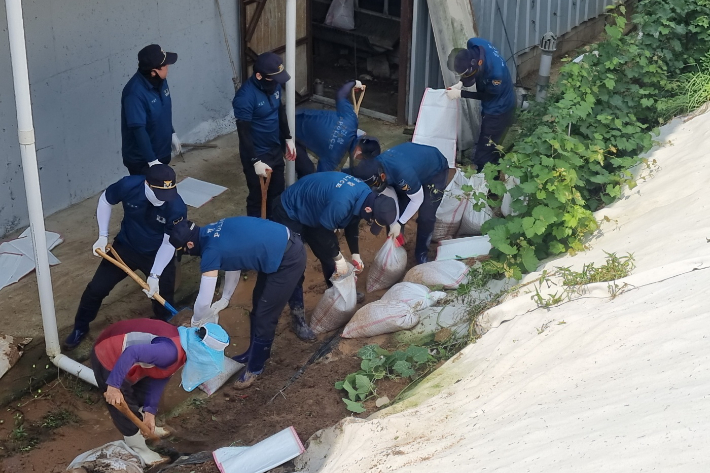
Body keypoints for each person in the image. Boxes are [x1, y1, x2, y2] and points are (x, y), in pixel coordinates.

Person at [167, 217, 306, 389]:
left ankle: (255, 369)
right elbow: (233, 264)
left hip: (288, 259)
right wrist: (225, 298)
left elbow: (204, 299)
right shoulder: (212, 229)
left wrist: (196, 321)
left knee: (265, 316)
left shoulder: (210, 251)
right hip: (277, 246)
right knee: (258, 305)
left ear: (189, 245)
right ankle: (252, 352)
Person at [63, 165, 187, 351]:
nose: (164, 201)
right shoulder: (129, 185)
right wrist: (102, 235)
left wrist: (154, 276)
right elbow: (106, 200)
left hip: (156, 254)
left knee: (162, 298)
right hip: (125, 247)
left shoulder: (176, 207)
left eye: (167, 195)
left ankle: (164, 331)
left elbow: (168, 244)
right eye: (159, 195)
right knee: (96, 289)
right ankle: (80, 327)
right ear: (147, 185)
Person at [271, 172, 398, 340]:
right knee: (295, 265)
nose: (370, 223)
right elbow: (325, 234)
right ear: (369, 209)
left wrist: (355, 254)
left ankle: (337, 294)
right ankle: (298, 318)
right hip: (289, 211)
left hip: (315, 212)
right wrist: (338, 258)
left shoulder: (365, 197)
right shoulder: (342, 203)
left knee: (330, 255)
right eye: (372, 221)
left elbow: (352, 222)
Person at [92, 318, 228, 465]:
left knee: (141, 394)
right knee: (122, 404)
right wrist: (113, 385)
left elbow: (159, 377)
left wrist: (150, 413)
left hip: (129, 358)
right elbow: (132, 352)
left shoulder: (183, 344)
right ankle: (139, 449)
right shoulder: (169, 352)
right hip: (108, 354)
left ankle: (145, 424)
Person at [350, 142, 449, 264]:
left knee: (426, 216)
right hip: (411, 163)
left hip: (434, 170)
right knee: (394, 211)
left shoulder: (402, 175)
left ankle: (421, 253)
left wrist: (400, 222)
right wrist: (393, 223)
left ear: (382, 176)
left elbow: (417, 199)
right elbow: (389, 197)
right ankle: (396, 250)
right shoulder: (372, 168)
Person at [232, 52, 297, 218]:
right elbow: (243, 132)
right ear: (259, 75)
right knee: (258, 197)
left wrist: (288, 138)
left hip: (275, 149)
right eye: (273, 79)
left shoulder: (273, 85)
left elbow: (280, 111)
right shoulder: (245, 97)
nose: (276, 83)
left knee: (277, 194)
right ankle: (255, 234)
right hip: (257, 154)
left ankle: (274, 230)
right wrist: (255, 161)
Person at [445, 38, 516, 171]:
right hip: (491, 105)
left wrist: (461, 94)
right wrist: (461, 82)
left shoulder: (496, 75)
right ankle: (494, 167)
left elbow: (487, 96)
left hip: (499, 110)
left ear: (475, 65)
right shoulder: (475, 43)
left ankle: (489, 186)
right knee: (489, 147)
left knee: (484, 156)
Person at [121, 44, 182, 176]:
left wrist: (171, 133)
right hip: (143, 162)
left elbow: (162, 112)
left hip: (161, 152)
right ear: (153, 71)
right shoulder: (134, 93)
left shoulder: (161, 82)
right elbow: (138, 129)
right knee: (146, 194)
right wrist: (152, 161)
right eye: (165, 65)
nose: (168, 67)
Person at [294, 80, 368, 173]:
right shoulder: (335, 156)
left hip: (296, 114)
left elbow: (340, 94)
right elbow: (321, 176)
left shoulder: (351, 119)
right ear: (357, 152)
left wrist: (355, 83)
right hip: (291, 136)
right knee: (307, 171)